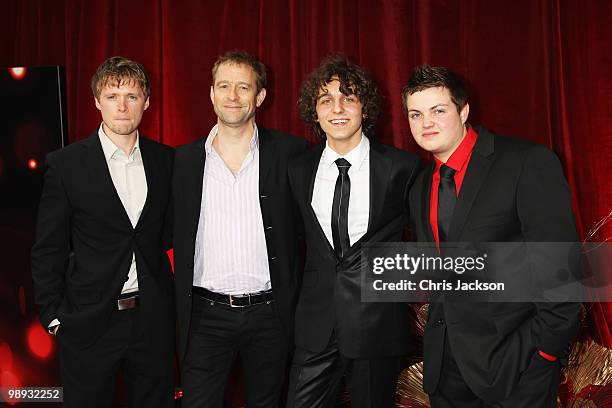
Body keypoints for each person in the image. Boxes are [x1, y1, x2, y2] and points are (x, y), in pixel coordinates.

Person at [403, 64, 580, 407]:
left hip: (516, 365)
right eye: (415, 114)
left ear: (464, 110)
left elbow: (563, 268)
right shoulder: (420, 184)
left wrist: (544, 353)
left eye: (438, 111)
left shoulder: (526, 162)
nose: (426, 123)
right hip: (446, 372)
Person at [31, 56, 175, 408]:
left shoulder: (167, 160)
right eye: (112, 96)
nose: (122, 106)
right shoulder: (66, 164)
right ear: (97, 101)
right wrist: (54, 318)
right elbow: (47, 248)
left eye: (132, 95)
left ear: (147, 101)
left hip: (152, 320)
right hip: (89, 323)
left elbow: (171, 234)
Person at [172, 50, 307, 408]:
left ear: (260, 96)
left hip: (271, 316)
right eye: (224, 86)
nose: (233, 96)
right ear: (211, 94)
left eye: (243, 87)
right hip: (205, 316)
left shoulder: (292, 153)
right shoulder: (183, 161)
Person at [286, 55, 421, 408]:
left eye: (349, 97)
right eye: (326, 100)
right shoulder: (297, 169)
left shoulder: (402, 168)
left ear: (366, 107)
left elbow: (425, 240)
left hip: (376, 326)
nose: (338, 108)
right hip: (315, 326)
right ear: (314, 112)